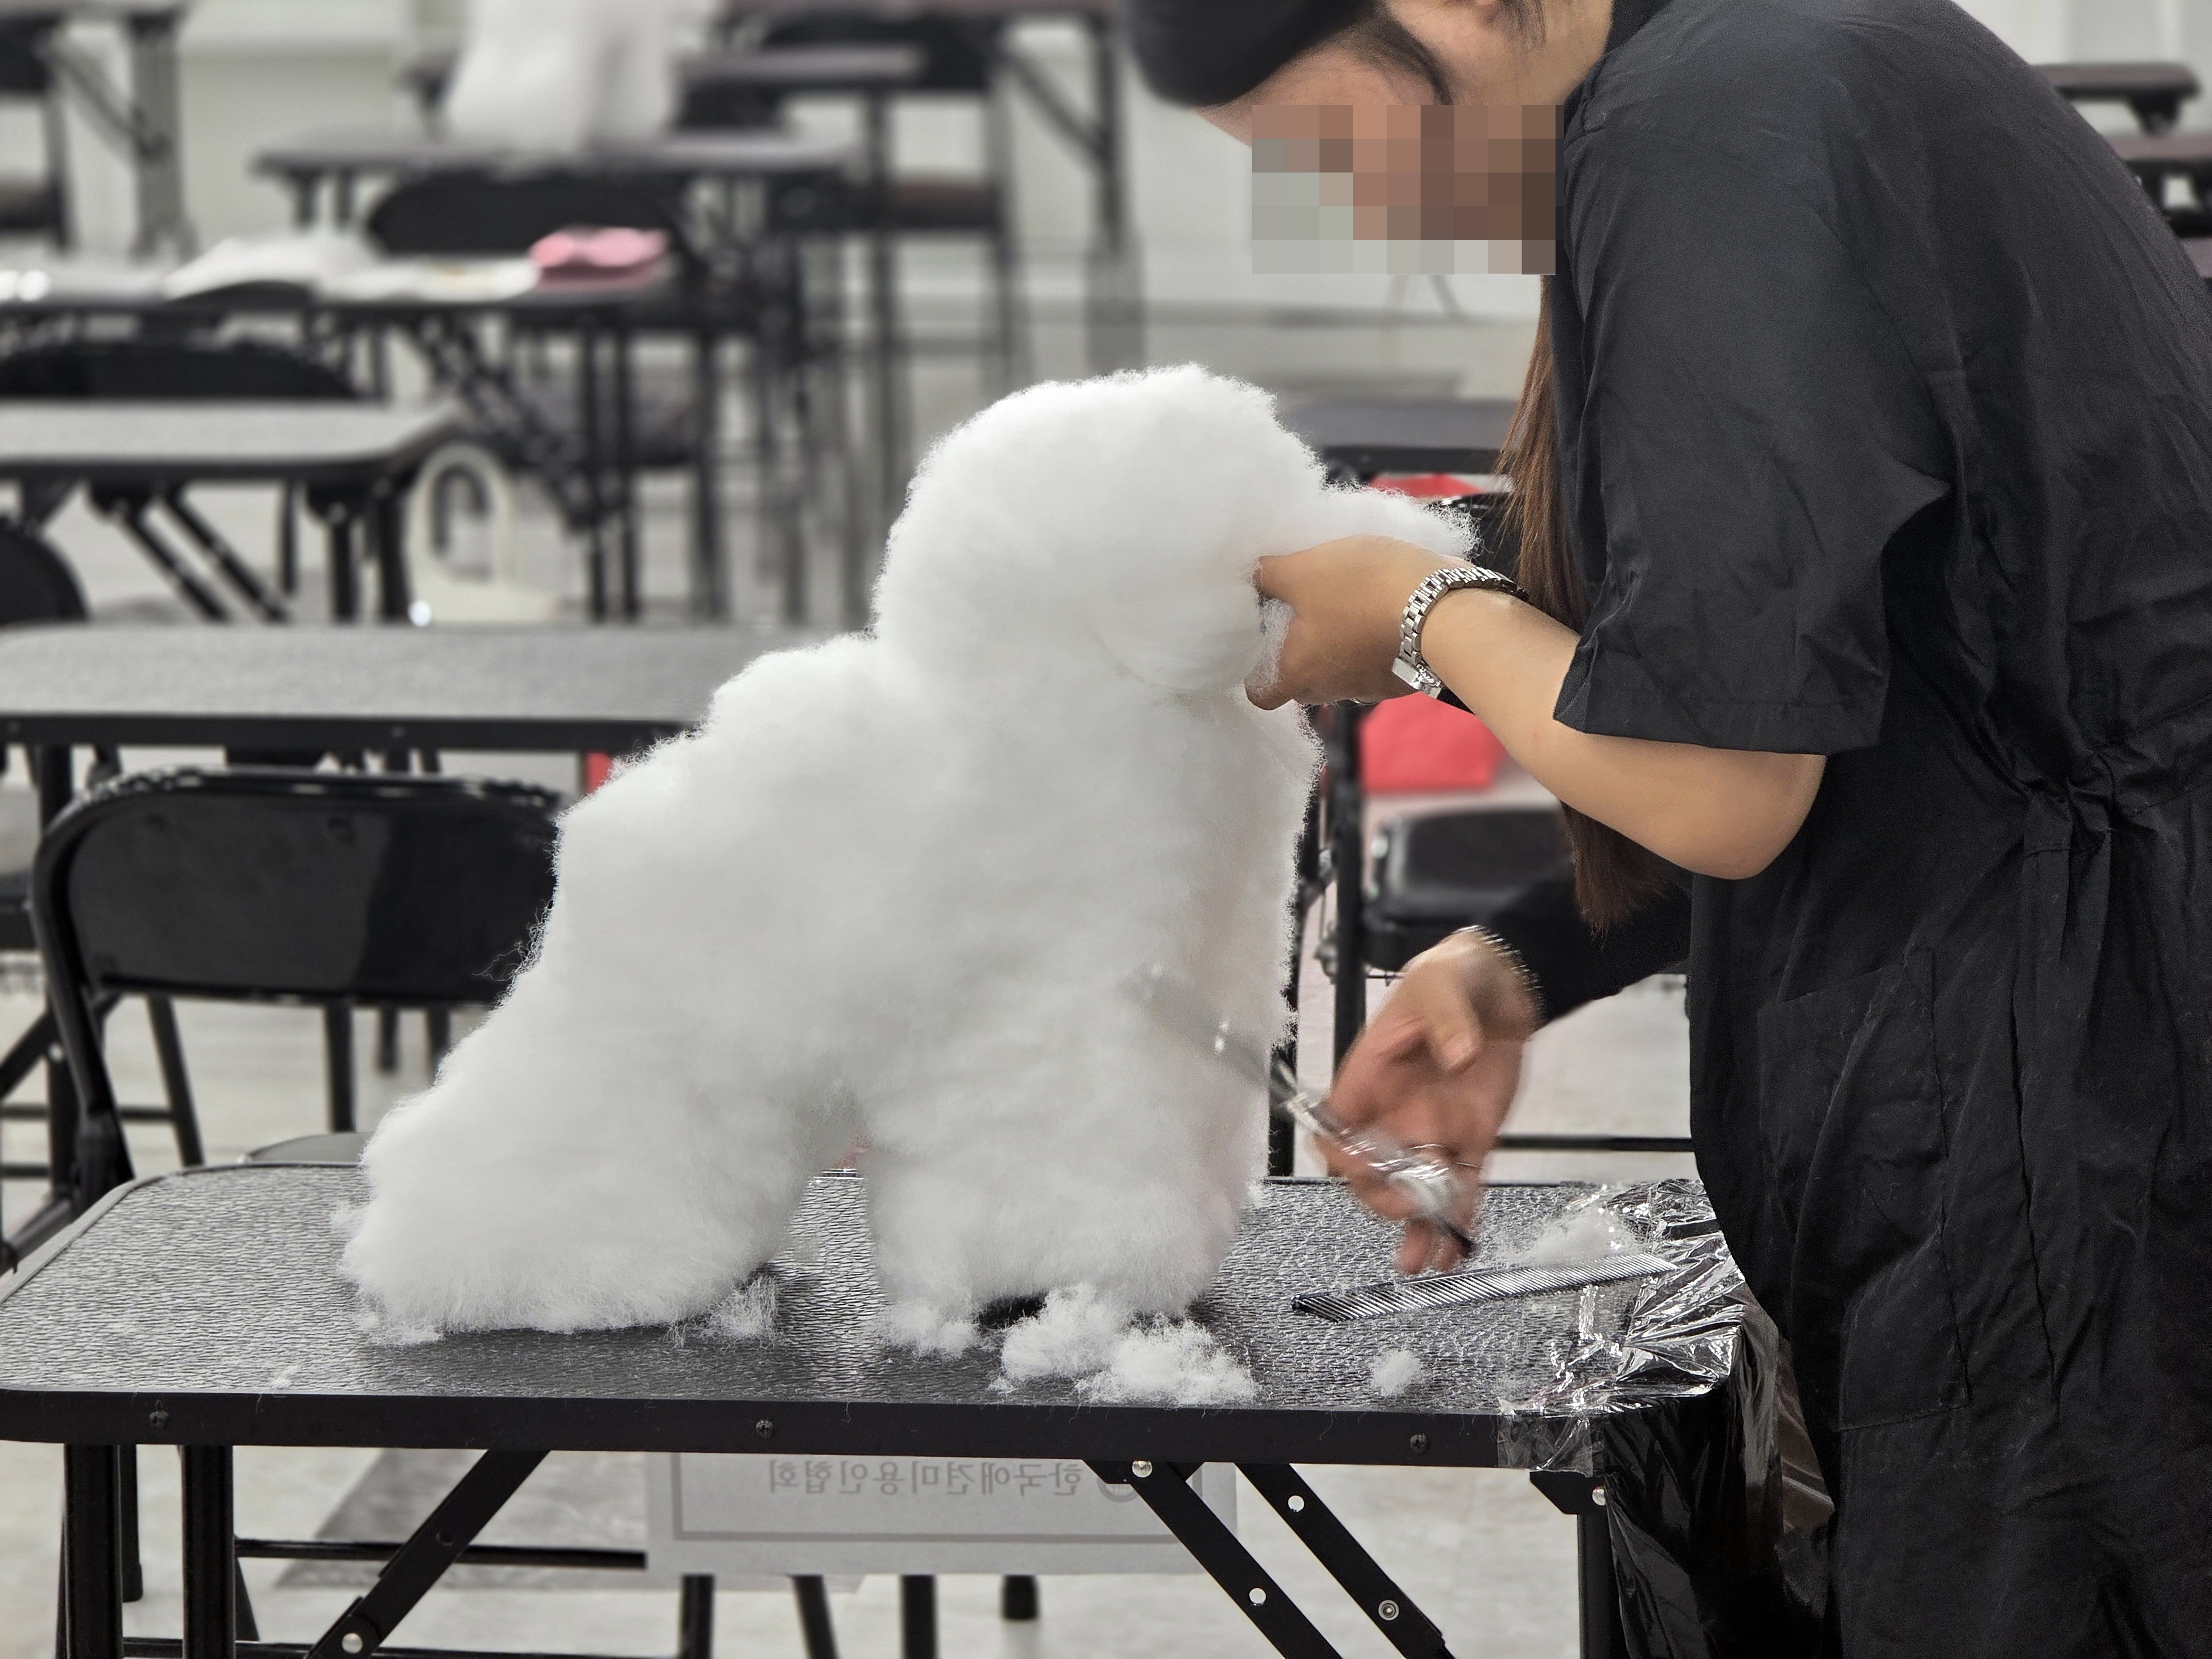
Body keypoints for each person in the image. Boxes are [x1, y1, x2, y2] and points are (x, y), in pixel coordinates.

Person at [1130, 0, 2212, 1652]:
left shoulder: (1705, 132)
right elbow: (1838, 660)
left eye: (1331, 147)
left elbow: (1722, 777)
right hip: (2067, 1058)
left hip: (2074, 1138)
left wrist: (1425, 620)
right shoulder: (1767, 66)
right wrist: (1518, 960)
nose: (1358, 213)